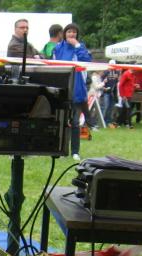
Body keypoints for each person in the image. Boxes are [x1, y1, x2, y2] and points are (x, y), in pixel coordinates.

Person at [53, 23, 91, 161]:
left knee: (75, 122)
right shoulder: (58, 48)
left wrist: (77, 46)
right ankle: (60, 150)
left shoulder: (80, 47)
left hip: (77, 89)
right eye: (69, 31)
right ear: (64, 33)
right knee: (61, 122)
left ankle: (75, 151)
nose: (72, 34)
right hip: (62, 88)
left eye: (74, 32)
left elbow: (86, 60)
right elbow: (54, 65)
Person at [101, 60, 119, 126]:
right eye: (111, 65)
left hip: (113, 92)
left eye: (113, 65)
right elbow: (101, 80)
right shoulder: (106, 72)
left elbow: (117, 82)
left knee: (111, 107)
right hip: (106, 91)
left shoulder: (117, 72)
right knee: (106, 106)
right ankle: (102, 121)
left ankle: (108, 121)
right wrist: (103, 87)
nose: (112, 66)